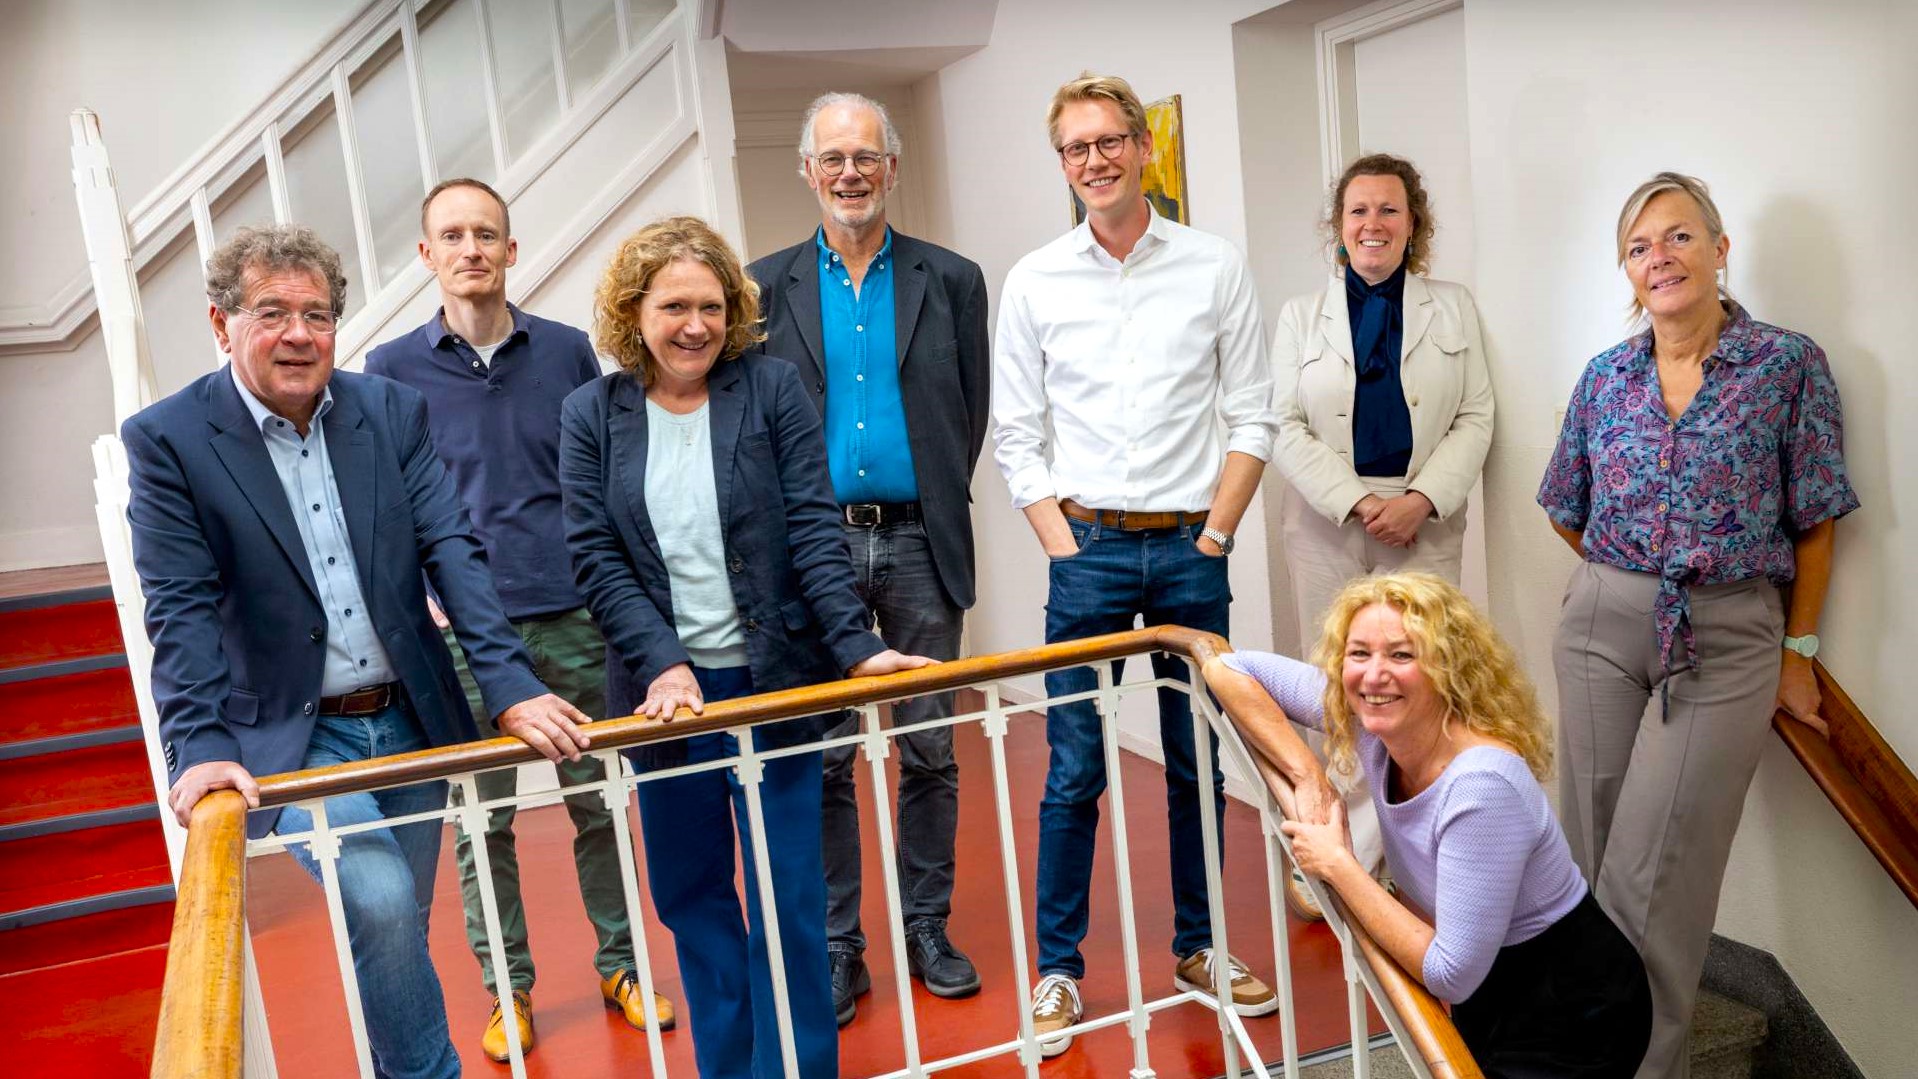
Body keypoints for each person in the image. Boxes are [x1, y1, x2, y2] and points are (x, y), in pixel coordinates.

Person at [124, 224, 594, 1079]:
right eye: (271, 312)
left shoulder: (386, 410)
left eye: (316, 314)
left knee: (398, 918)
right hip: (297, 738)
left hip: (409, 717)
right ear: (220, 323)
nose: (298, 333)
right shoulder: (170, 439)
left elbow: (452, 547)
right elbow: (180, 607)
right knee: (376, 899)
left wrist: (510, 683)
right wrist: (198, 745)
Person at [559, 215, 931, 1079]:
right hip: (662, 705)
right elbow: (595, 555)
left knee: (789, 901)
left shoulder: (771, 390)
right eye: (674, 306)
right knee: (693, 900)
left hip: (771, 687)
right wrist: (664, 662)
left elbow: (812, 526)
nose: (696, 324)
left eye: (714, 305)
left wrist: (857, 645)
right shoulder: (592, 413)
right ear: (633, 312)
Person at [1537, 172, 1857, 1078]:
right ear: (1627, 273)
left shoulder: (1788, 364)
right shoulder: (1607, 376)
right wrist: (1620, 580)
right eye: (1639, 247)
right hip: (1603, 618)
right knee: (1588, 858)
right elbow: (1566, 503)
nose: (1659, 258)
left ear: (1719, 249)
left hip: (1724, 635)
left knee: (1654, 879)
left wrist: (1798, 653)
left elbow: (1819, 518)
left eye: (1677, 237)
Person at [992, 71, 1280, 1055]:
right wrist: (1063, 544)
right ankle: (1058, 969)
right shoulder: (1035, 279)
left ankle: (1200, 949)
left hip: (1193, 554)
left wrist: (1215, 536)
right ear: (1063, 162)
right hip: (1088, 553)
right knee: (1073, 771)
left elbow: (1252, 414)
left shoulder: (1211, 265)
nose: (1095, 160)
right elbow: (1015, 433)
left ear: (1142, 148)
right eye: (1076, 148)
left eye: (1110, 140)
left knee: (1196, 763)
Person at [364, 177, 672, 1062]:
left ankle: (621, 965)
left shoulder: (571, 353)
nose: (471, 248)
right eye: (452, 235)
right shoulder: (387, 373)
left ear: (510, 248)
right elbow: (383, 504)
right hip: (467, 638)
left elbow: (608, 479)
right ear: (427, 255)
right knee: (481, 824)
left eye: (486, 234)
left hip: (579, 617)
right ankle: (510, 989)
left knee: (600, 804)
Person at [745, 91, 991, 1025]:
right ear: (808, 172)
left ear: (893, 168)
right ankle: (841, 942)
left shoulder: (953, 278)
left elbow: (965, 414)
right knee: (830, 756)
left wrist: (919, 501)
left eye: (866, 158)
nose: (850, 173)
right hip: (815, 545)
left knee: (930, 747)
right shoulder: (763, 284)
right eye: (832, 159)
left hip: (922, 539)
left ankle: (927, 925)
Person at [1208, 573, 1652, 1078]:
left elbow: (1451, 974)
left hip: (1573, 1005)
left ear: (1448, 668)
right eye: (1359, 654)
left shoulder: (1482, 786)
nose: (1374, 676)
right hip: (1491, 986)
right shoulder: (1375, 721)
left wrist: (1338, 864)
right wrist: (1309, 776)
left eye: (1402, 655)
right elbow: (1228, 669)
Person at [1269, 153, 1494, 919]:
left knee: (1420, 685)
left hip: (1423, 527)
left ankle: (1402, 855)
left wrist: (1422, 498)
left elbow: (1476, 415)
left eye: (1390, 210)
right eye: (1359, 211)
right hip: (1331, 524)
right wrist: (1361, 501)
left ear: (1413, 225)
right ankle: (1340, 852)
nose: (1374, 224)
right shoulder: (1300, 316)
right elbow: (1283, 425)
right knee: (1340, 687)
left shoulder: (1454, 308)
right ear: (1339, 228)